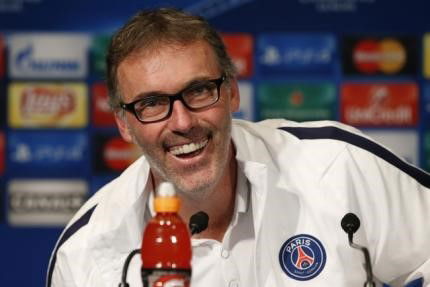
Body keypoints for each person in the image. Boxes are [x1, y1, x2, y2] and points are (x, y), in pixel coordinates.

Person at [47, 7, 430, 287]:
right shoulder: (85, 254)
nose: (182, 123)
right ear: (124, 124)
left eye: (198, 91)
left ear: (231, 91)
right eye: (151, 104)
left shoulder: (337, 165)